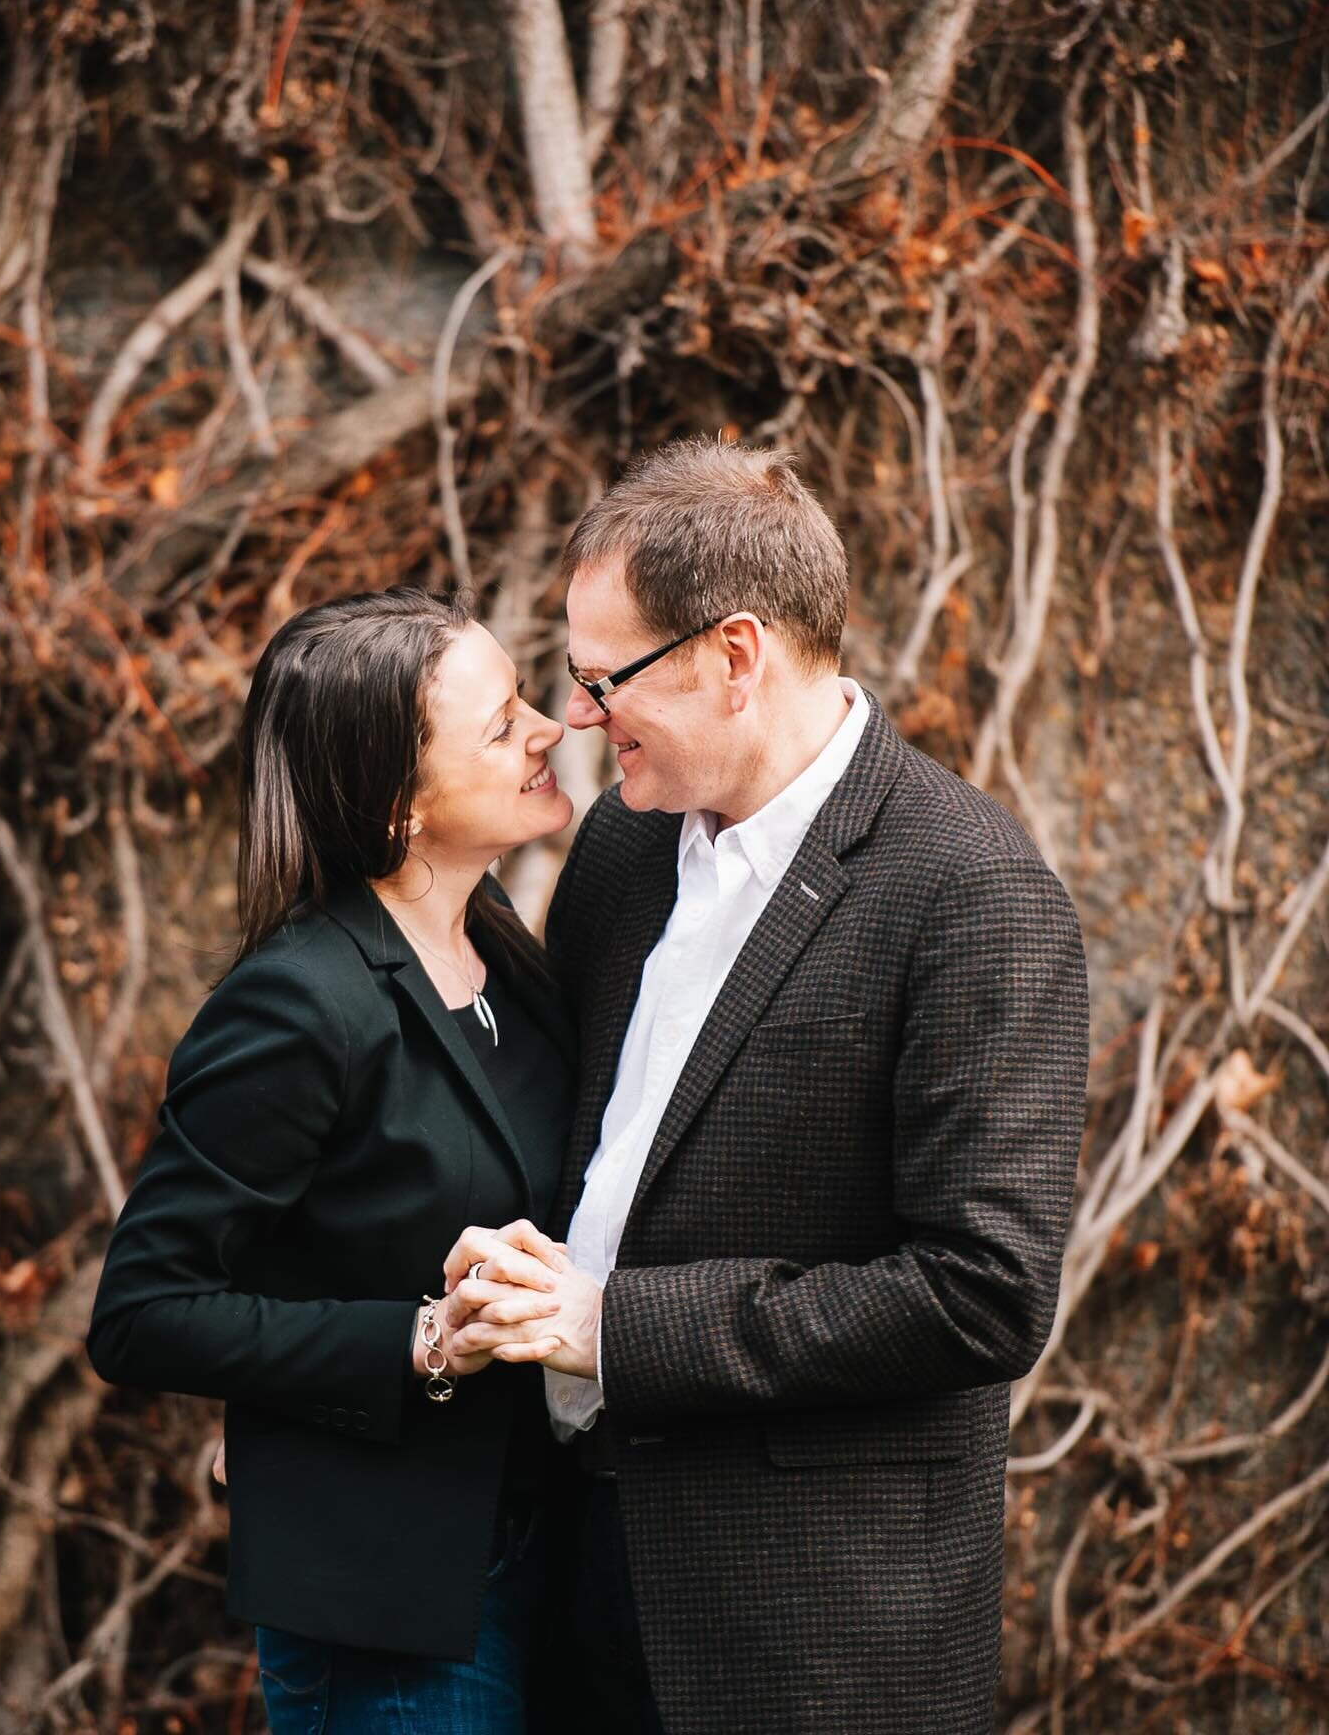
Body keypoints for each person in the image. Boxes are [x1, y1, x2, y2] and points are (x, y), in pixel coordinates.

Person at [442, 440, 1091, 1735]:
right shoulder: (626, 846)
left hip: (810, 1636)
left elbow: (983, 1293)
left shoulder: (974, 898)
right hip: (579, 1582)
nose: (578, 718)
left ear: (737, 657)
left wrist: (614, 1330)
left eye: (604, 679)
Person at [87, 587, 582, 1734]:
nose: (549, 728)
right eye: (503, 723)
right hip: (391, 1612)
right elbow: (145, 1310)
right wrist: (410, 1340)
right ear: (399, 805)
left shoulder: (496, 937)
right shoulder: (295, 1006)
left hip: (536, 1559)